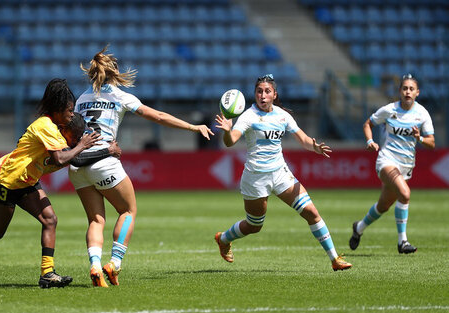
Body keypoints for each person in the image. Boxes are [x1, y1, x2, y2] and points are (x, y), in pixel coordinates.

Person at [69, 45, 214, 287]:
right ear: (115, 73)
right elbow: (158, 116)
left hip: (78, 164)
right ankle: (114, 263)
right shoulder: (120, 96)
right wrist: (192, 127)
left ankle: (95, 265)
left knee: (96, 220)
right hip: (104, 160)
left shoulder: (81, 99)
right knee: (128, 211)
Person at [213, 74, 352, 271]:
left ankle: (334, 259)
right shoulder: (248, 116)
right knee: (254, 226)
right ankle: (224, 238)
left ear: (274, 94)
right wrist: (227, 131)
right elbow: (230, 142)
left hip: (280, 174)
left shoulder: (282, 115)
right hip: (255, 178)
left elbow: (302, 138)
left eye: (267, 91)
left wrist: (315, 147)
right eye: (259, 91)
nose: (262, 95)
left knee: (312, 212)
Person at [0, 79, 104, 288]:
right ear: (56, 110)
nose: (71, 114)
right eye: (69, 110)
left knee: (50, 219)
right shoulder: (45, 125)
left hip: (26, 181)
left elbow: (70, 157)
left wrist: (103, 149)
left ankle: (47, 273)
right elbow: (61, 159)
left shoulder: (56, 129)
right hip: (7, 180)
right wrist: (83, 145)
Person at [349, 74, 435, 254]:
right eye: (405, 88)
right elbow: (368, 124)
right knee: (405, 194)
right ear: (399, 91)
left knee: (384, 206)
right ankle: (402, 242)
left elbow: (432, 143)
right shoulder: (389, 109)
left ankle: (359, 228)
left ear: (417, 92)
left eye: (411, 89)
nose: (408, 92)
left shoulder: (422, 114)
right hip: (386, 160)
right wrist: (369, 141)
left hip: (406, 165)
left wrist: (419, 138)